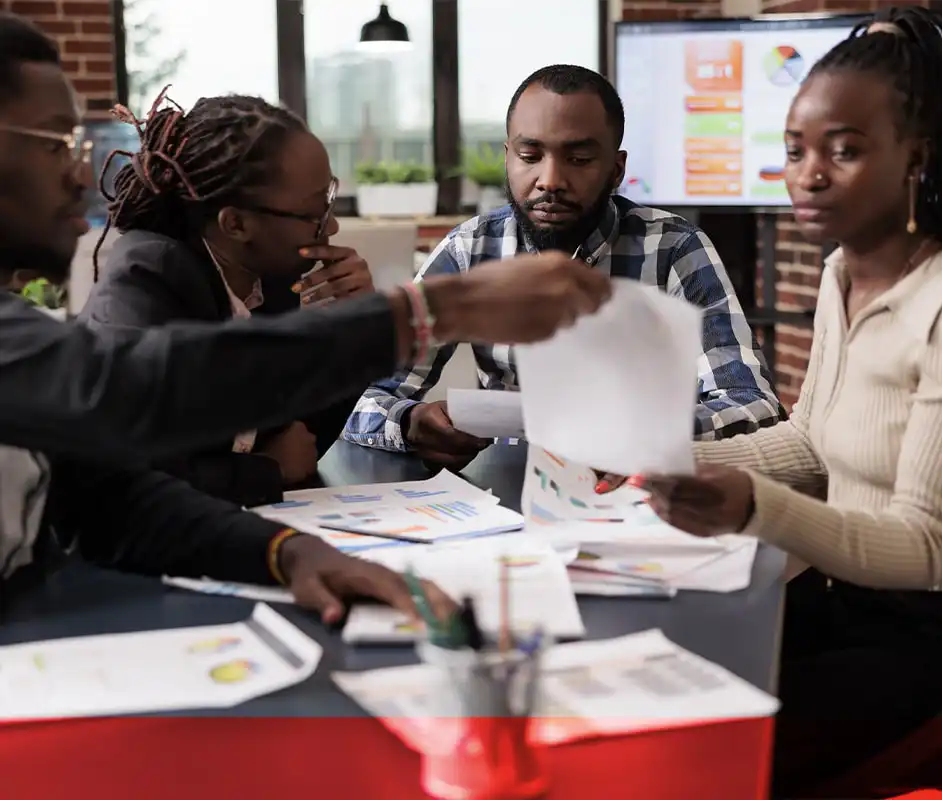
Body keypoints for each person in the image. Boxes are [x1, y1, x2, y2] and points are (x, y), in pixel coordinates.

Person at [0, 13, 610, 621]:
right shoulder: (147, 270)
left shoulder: (281, 275)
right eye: (59, 144)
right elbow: (129, 388)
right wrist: (431, 309)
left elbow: (108, 497)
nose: (83, 173)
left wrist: (287, 554)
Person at [634, 8, 942, 796]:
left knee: (706, 747)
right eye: (796, 150)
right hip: (848, 598)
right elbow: (809, 443)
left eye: (847, 150)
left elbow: (929, 547)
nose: (809, 173)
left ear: (916, 160)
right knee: (667, 669)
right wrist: (660, 456)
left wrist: (752, 506)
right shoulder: (841, 273)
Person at [341, 65, 784, 470]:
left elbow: (754, 406)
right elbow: (362, 395)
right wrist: (411, 421)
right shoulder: (470, 248)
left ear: (616, 169)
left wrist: (639, 433)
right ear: (508, 157)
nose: (550, 180)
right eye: (530, 156)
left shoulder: (674, 248)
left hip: (642, 487)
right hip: (504, 490)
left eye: (578, 159)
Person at [80, 91, 379, 507]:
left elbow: (302, 441)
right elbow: (120, 477)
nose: (332, 226)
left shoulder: (267, 280)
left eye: (328, 200)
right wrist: (264, 472)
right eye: (315, 212)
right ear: (235, 223)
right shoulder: (146, 277)